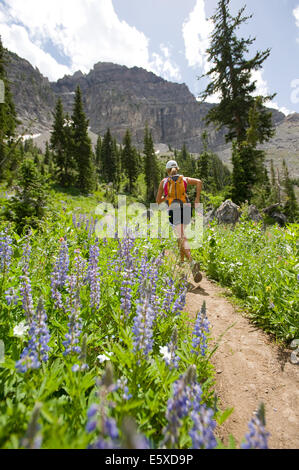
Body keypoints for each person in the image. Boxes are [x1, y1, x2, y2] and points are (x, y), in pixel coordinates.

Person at [156, 160, 202, 283]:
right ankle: (182, 262)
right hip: (186, 208)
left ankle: (191, 262)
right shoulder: (184, 179)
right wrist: (197, 199)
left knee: (181, 236)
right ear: (177, 168)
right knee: (182, 236)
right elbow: (199, 182)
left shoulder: (164, 182)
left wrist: (167, 197)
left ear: (167, 170)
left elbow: (158, 201)